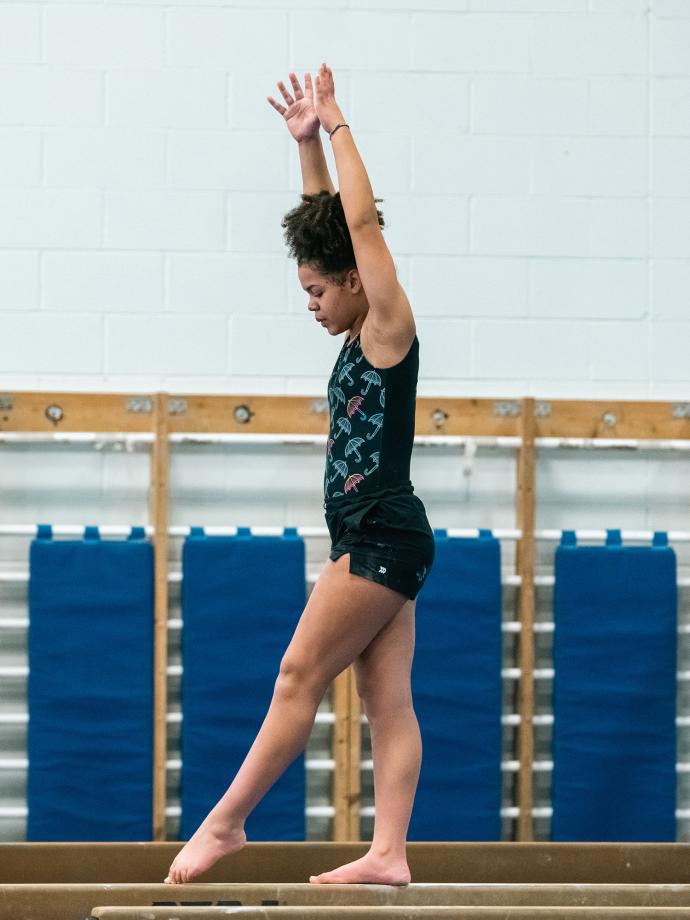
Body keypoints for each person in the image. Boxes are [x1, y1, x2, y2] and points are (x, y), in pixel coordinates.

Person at [164, 63, 435, 888]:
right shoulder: (354, 329)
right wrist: (305, 146)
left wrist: (341, 124)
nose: (311, 303)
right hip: (371, 535)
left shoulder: (387, 326)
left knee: (296, 675)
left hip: (383, 532)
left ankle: (227, 820)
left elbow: (357, 224)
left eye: (318, 290)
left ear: (357, 280)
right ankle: (388, 854)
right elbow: (331, 225)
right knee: (384, 702)